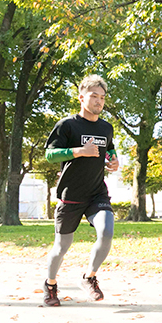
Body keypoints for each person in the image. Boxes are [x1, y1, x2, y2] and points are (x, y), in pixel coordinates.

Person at [42, 75, 120, 306]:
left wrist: (113, 161)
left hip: (97, 193)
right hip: (70, 195)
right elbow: (49, 154)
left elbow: (110, 149)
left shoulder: (106, 128)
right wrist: (78, 151)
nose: (99, 101)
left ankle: (89, 277)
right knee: (61, 247)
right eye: (94, 96)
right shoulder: (67, 125)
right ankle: (50, 284)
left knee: (106, 232)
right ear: (81, 97)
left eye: (102, 97)